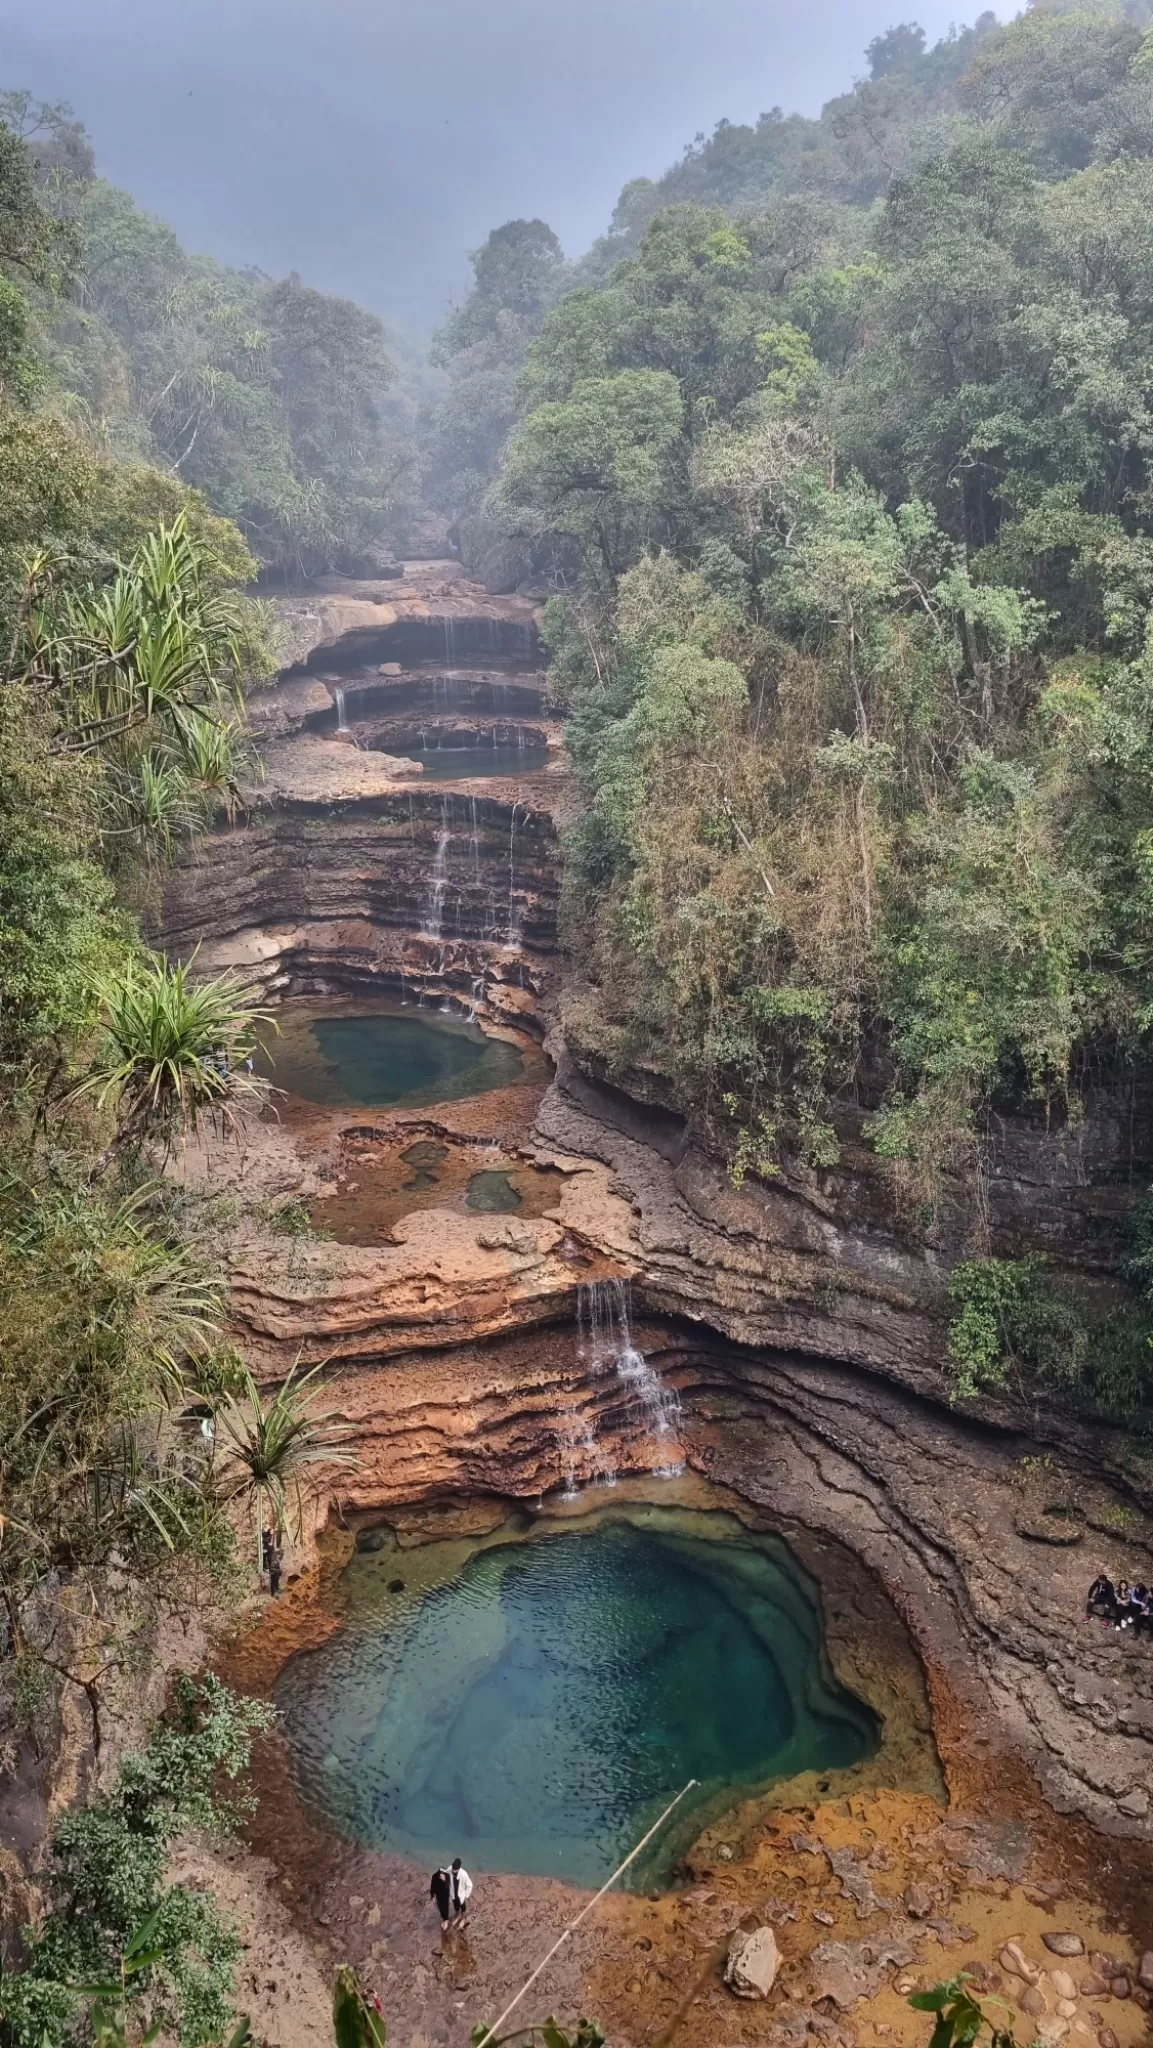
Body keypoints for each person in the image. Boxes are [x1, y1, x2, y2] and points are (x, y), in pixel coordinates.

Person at [429, 1864, 453, 1931]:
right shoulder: (434, 1876)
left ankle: (446, 1921)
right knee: (440, 1907)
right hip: (438, 1895)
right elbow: (432, 1886)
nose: (441, 1876)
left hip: (445, 1895)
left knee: (445, 1908)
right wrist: (432, 1896)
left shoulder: (447, 1876)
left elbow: (448, 1887)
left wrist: (444, 1880)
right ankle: (444, 1918)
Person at [451, 1857, 473, 1922]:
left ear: (459, 1868)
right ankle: (457, 1914)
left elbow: (469, 1885)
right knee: (455, 1905)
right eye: (453, 1868)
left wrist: (466, 1895)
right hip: (453, 1893)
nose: (454, 1870)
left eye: (455, 1869)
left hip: (460, 1894)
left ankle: (463, 1915)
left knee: (462, 1905)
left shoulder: (464, 1874)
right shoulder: (450, 1870)